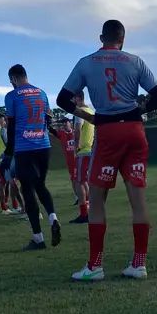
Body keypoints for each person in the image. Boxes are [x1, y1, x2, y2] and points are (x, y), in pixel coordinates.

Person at [57, 19, 157, 281]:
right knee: (138, 200)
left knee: (96, 200)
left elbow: (63, 99)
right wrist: (138, 110)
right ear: (123, 39)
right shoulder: (135, 61)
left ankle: (95, 266)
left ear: (101, 37)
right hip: (134, 131)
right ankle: (138, 263)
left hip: (107, 132)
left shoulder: (86, 62)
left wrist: (88, 116)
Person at [0, 64, 61, 251]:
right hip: (43, 146)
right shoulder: (41, 93)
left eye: (11, 81)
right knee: (41, 185)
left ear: (14, 79)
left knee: (28, 190)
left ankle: (38, 238)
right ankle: (53, 217)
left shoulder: (12, 96)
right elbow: (48, 119)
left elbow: (11, 127)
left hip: (24, 148)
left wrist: (8, 154)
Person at [69, 95, 95, 225]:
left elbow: (78, 130)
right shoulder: (91, 111)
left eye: (73, 99)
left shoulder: (79, 112)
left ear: (78, 98)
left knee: (78, 182)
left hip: (82, 151)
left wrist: (75, 148)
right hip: (90, 149)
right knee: (84, 181)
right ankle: (90, 210)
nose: (71, 101)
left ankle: (84, 214)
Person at [52, 117, 79, 206]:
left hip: (78, 159)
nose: (64, 125)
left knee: (81, 179)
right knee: (73, 179)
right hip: (70, 161)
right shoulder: (61, 134)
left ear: (70, 123)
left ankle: (85, 196)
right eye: (63, 124)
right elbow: (53, 132)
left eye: (65, 123)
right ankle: (77, 197)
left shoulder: (76, 132)